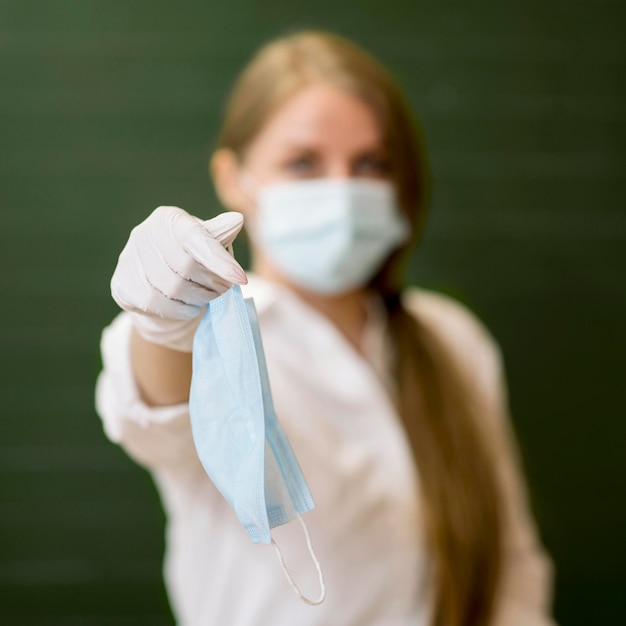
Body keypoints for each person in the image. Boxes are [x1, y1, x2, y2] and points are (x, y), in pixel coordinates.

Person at [95, 30, 555, 626]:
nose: (340, 189)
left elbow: (513, 569)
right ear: (234, 178)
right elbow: (155, 411)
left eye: (369, 164)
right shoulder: (205, 340)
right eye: (303, 163)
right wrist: (161, 323)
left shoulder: (451, 339)